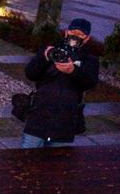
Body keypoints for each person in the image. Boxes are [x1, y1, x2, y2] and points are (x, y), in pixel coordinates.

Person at [21, 18, 99, 148]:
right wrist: (44, 58)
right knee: (26, 157)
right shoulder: (51, 50)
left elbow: (91, 83)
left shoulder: (90, 60)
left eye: (81, 34)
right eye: (73, 32)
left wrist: (73, 71)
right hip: (39, 116)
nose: (75, 36)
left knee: (56, 165)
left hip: (65, 121)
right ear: (66, 33)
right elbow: (30, 74)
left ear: (86, 39)